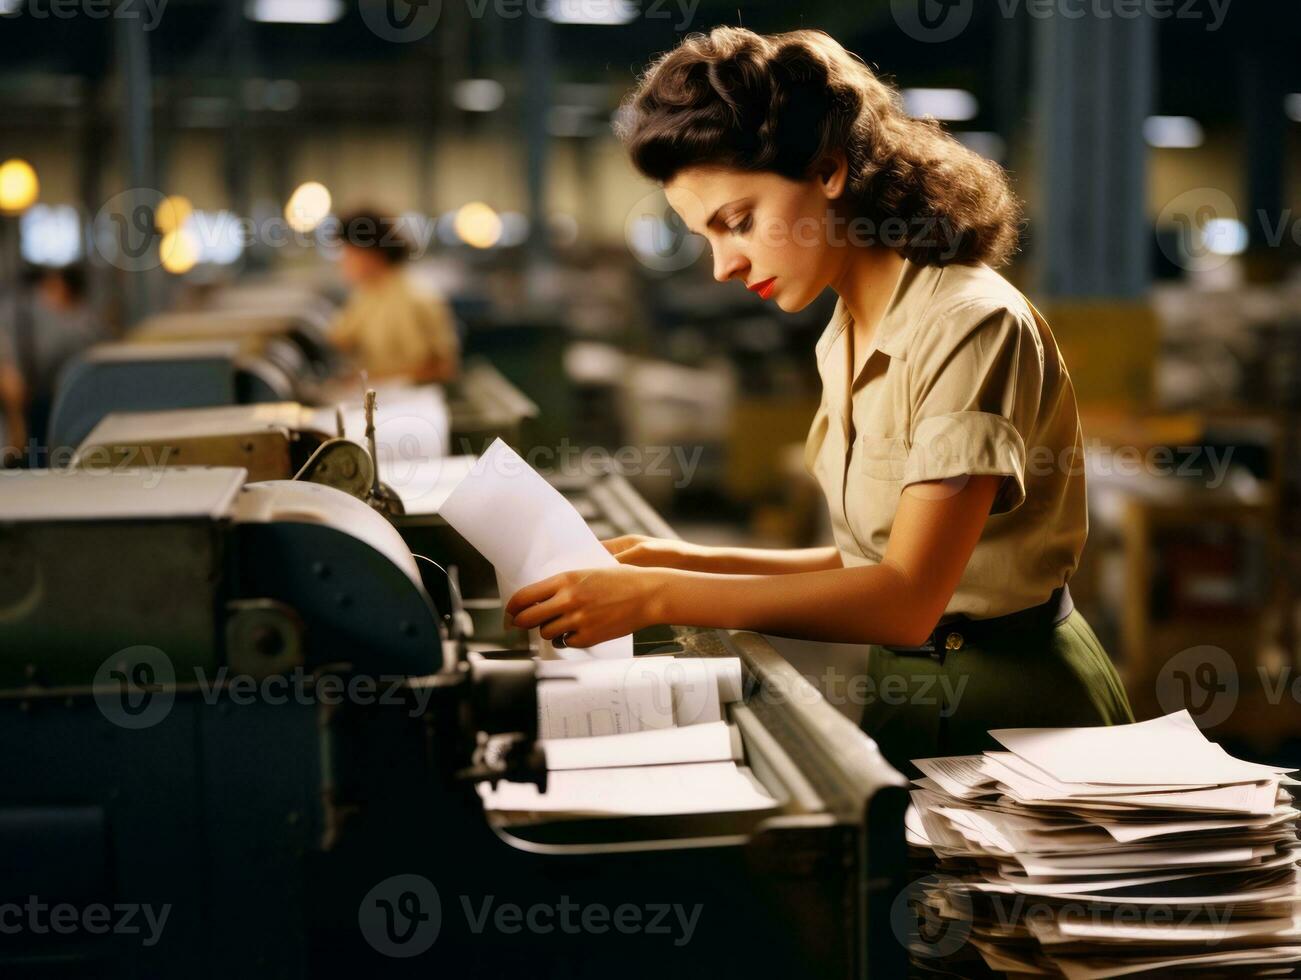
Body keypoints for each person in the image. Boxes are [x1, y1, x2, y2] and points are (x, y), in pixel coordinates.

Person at [505, 27, 1133, 772]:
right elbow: (871, 558)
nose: (722, 266)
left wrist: (657, 597)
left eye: (736, 222)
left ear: (828, 170)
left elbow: (905, 598)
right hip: (908, 688)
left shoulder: (969, 323)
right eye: (703, 237)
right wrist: (686, 558)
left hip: (1021, 714)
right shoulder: (845, 330)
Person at [329, 209, 460, 383]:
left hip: (414, 402)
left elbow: (442, 368)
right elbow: (337, 340)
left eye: (347, 252)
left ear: (371, 252)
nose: (342, 261)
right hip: (382, 395)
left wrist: (370, 380)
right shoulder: (366, 294)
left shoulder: (415, 298)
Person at [0, 265, 100, 455]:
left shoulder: (51, 316)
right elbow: (13, 384)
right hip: (29, 402)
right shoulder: (55, 318)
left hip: (39, 398)